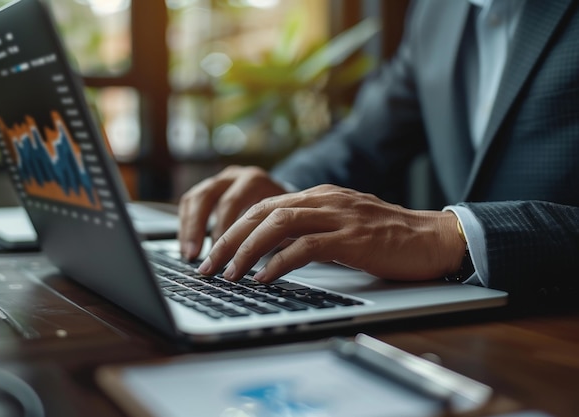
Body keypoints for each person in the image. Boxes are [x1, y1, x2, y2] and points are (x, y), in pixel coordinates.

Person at [177, 0, 579, 303]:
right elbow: (363, 140)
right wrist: (284, 195)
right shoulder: (438, 11)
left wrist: (451, 236)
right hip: (465, 333)